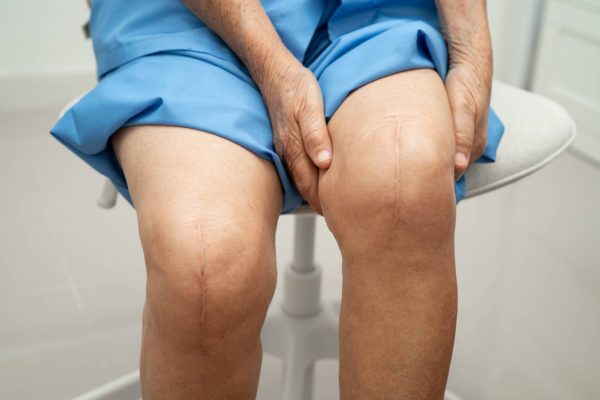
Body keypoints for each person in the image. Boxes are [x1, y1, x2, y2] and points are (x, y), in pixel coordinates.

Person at [50, 0, 504, 398]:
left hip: (369, 13)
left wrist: (471, 49)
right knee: (206, 266)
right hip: (182, 17)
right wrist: (273, 67)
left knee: (406, 194)